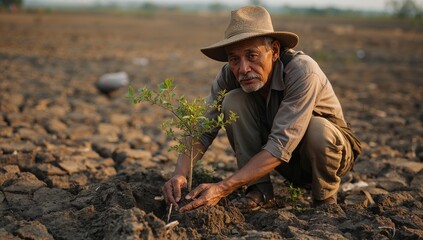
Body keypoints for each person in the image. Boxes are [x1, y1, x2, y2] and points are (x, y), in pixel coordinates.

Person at [162, 5, 361, 212]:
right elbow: (203, 129)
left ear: (274, 51)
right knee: (233, 101)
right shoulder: (229, 75)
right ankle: (259, 190)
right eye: (234, 59)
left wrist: (223, 188)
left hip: (325, 156)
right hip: (280, 159)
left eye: (252, 56)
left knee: (317, 130)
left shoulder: (302, 71)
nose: (244, 68)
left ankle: (325, 199)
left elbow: (281, 144)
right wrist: (180, 173)